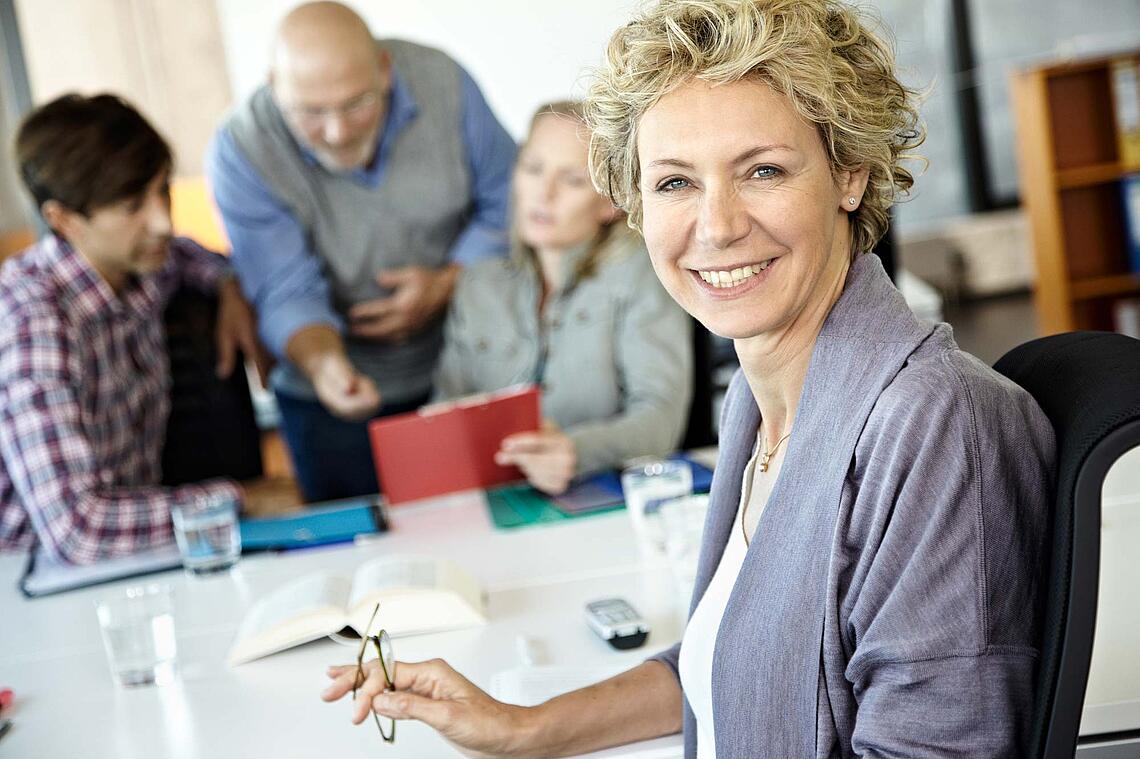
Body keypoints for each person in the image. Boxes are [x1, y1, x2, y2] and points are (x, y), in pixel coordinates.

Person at [322, 1, 1056, 756]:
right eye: (674, 183)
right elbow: (726, 659)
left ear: (850, 174)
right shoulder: (758, 399)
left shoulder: (934, 425)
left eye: (762, 170)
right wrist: (522, 726)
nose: (716, 225)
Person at [207, 1, 517, 502]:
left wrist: (449, 281)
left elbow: (509, 201)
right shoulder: (240, 148)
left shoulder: (444, 82)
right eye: (310, 112)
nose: (337, 130)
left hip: (464, 367)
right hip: (327, 402)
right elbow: (285, 288)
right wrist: (327, 366)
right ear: (272, 85)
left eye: (355, 104)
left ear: (384, 70)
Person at [0, 94, 265, 564]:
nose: (162, 221)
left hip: (138, 556)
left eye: (162, 190)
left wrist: (229, 286)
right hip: (32, 577)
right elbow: (77, 529)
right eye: (132, 205)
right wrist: (240, 499)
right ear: (64, 220)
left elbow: (190, 254)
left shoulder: (142, 264)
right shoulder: (31, 322)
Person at [434, 101, 692, 495]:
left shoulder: (643, 275)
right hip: (491, 503)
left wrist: (576, 450)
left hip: (603, 502)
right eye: (533, 169)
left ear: (610, 201)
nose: (543, 193)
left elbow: (661, 419)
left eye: (571, 179)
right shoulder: (478, 284)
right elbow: (445, 416)